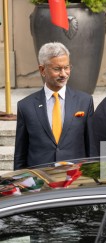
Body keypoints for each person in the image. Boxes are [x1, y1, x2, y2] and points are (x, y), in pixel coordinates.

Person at [14, 42, 95, 170]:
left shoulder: (85, 101)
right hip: (40, 182)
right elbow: (20, 154)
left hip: (75, 179)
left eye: (67, 67)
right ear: (42, 70)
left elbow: (91, 148)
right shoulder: (26, 106)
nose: (63, 74)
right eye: (57, 69)